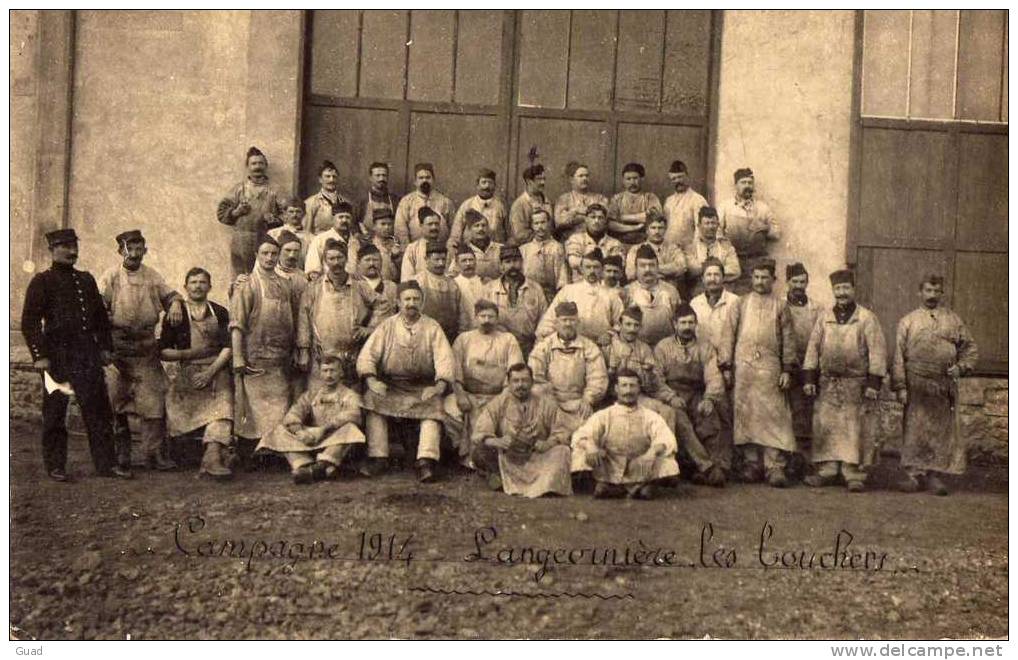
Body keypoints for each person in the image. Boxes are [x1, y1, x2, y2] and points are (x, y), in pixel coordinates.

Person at [21, 229, 130, 481]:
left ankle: (106, 464)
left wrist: (104, 348)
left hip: (86, 355)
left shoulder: (86, 280)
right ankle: (56, 466)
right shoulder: (42, 281)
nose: (72, 251)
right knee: (55, 412)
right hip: (56, 356)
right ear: (52, 250)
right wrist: (39, 355)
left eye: (74, 246)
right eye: (65, 247)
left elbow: (101, 319)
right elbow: (29, 322)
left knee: (98, 410)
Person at [98, 229, 185, 471]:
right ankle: (121, 455)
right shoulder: (111, 276)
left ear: (145, 250)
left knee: (154, 402)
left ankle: (153, 454)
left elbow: (170, 294)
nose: (135, 254)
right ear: (120, 251)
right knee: (116, 401)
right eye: (130, 249)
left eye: (139, 249)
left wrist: (176, 303)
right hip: (118, 349)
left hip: (146, 348)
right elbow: (98, 308)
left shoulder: (152, 276)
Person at [356, 280, 455, 483]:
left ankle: (426, 460)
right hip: (392, 384)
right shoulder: (387, 326)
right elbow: (368, 356)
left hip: (422, 386)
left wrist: (439, 385)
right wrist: (371, 380)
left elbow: (444, 358)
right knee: (372, 399)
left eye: (416, 299)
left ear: (422, 302)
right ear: (398, 302)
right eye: (407, 299)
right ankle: (379, 456)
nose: (411, 303)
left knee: (435, 405)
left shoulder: (432, 327)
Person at [892, 274, 978, 496]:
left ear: (941, 293)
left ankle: (934, 476)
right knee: (915, 430)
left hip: (942, 385)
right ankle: (913, 476)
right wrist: (900, 386)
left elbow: (969, 349)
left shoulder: (953, 320)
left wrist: (960, 368)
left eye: (935, 291)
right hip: (916, 383)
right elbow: (898, 357)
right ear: (919, 292)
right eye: (927, 291)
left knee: (940, 432)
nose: (931, 295)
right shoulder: (908, 321)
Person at [802, 269, 887, 492]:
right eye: (838, 289)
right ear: (833, 291)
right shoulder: (824, 318)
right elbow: (813, 349)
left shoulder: (866, 318)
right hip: (828, 382)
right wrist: (810, 378)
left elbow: (877, 351)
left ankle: (853, 473)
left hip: (855, 384)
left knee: (854, 429)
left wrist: (873, 383)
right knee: (826, 427)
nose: (842, 293)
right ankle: (828, 470)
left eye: (846, 288)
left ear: (853, 290)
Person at [718, 259, 798, 487]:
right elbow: (727, 337)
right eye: (757, 277)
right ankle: (751, 464)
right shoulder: (740, 305)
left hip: (770, 370)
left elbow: (789, 341)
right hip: (744, 370)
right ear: (751, 279)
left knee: (774, 417)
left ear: (773, 280)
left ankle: (774, 466)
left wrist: (787, 370)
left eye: (765, 277)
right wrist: (726, 367)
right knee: (747, 415)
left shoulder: (781, 307)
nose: (761, 281)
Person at [159, 267, 233, 479]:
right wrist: (188, 354)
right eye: (193, 282)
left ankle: (212, 457)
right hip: (187, 371)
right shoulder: (176, 313)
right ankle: (195, 453)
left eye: (202, 282)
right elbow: (163, 351)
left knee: (224, 407)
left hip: (216, 370)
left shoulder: (219, 312)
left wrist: (210, 372)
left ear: (209, 286)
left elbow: (227, 347)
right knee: (176, 407)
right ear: (185, 287)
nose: (198, 286)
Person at [230, 236, 301, 445]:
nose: (269, 258)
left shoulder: (285, 285)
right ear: (256, 255)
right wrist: (237, 357)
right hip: (254, 359)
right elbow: (237, 324)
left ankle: (273, 450)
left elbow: (294, 320)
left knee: (278, 410)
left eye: (273, 253)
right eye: (265, 253)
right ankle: (251, 453)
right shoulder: (247, 284)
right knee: (253, 412)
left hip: (279, 360)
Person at [571, 369, 680, 499]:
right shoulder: (604, 414)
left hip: (641, 463)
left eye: (632, 385)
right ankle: (622, 487)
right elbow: (581, 434)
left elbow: (666, 437)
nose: (628, 391)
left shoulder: (650, 416)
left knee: (668, 462)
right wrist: (591, 446)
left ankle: (630, 487)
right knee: (581, 453)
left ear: (639, 388)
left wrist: (652, 452)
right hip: (610, 464)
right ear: (616, 389)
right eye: (624, 386)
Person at [257, 355, 364, 484]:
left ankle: (322, 466)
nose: (329, 375)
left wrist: (323, 429)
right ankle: (303, 466)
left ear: (341, 373)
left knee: (351, 429)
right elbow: (293, 414)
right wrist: (299, 432)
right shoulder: (312, 394)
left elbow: (353, 414)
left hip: (332, 437)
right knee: (279, 430)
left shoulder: (349, 394)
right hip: (311, 437)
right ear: (320, 373)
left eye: (333, 370)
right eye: (325, 371)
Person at [297, 238, 386, 392]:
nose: (336, 262)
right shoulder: (314, 287)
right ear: (325, 261)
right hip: (321, 359)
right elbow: (303, 319)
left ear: (346, 259)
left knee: (350, 403)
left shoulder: (359, 285)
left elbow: (383, 305)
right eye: (331, 258)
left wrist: (370, 328)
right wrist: (304, 351)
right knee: (319, 402)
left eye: (340, 258)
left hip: (351, 358)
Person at [654, 304, 729, 487]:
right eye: (683, 323)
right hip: (671, 395)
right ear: (674, 324)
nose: (687, 327)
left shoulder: (705, 347)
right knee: (680, 420)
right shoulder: (663, 347)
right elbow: (656, 379)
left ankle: (712, 465)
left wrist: (709, 398)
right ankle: (707, 467)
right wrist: (671, 397)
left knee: (709, 417)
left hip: (696, 393)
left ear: (696, 324)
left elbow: (713, 375)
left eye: (691, 323)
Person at [470, 363, 572, 497]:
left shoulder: (546, 403)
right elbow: (479, 433)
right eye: (516, 381)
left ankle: (542, 485)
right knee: (480, 452)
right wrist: (497, 441)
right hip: (509, 457)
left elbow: (563, 431)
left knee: (563, 451)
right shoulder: (498, 403)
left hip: (538, 457)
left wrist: (548, 443)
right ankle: (499, 477)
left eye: (525, 380)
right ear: (509, 383)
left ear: (532, 382)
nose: (520, 385)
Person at [443, 301, 524, 462]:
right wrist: (460, 395)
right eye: (482, 316)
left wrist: (501, 400)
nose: (486, 320)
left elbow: (515, 373)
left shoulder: (508, 339)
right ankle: (464, 455)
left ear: (497, 318)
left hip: (499, 396)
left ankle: (493, 458)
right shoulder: (463, 339)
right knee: (449, 407)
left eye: (491, 316)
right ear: (475, 317)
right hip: (469, 395)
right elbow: (455, 370)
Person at [528, 301, 608, 436]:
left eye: (572, 320)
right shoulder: (544, 347)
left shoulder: (589, 347)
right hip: (550, 402)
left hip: (578, 403)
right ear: (556, 323)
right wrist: (548, 398)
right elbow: (535, 376)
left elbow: (598, 377)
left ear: (578, 322)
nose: (568, 324)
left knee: (585, 435)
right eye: (564, 320)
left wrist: (588, 398)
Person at [216, 146, 283, 276]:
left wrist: (275, 220)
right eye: (254, 163)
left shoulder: (275, 191)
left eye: (260, 163)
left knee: (263, 278)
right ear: (248, 166)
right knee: (239, 280)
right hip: (241, 241)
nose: (257, 167)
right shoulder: (239, 189)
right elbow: (221, 212)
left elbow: (289, 213)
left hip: (266, 242)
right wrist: (237, 212)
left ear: (265, 166)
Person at [538, 249, 623, 345]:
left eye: (596, 267)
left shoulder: (611, 295)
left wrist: (609, 334)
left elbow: (621, 322)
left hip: (601, 344)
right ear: (581, 269)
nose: (592, 271)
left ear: (602, 270)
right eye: (588, 267)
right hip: (572, 344)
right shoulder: (568, 290)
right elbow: (550, 318)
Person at [784, 262, 822, 472]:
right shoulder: (780, 305)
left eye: (802, 281)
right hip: (787, 366)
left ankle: (805, 460)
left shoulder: (816, 308)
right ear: (787, 282)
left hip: (808, 367)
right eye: (795, 281)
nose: (799, 285)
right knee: (786, 414)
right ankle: (787, 459)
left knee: (805, 414)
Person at [718, 168, 780, 295]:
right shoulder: (726, 206)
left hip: (755, 261)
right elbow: (717, 232)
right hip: (733, 260)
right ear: (736, 186)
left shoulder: (762, 208)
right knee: (732, 296)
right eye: (743, 182)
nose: (747, 186)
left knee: (755, 296)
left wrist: (764, 228)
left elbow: (776, 233)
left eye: (750, 183)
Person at [485, 245, 548, 356]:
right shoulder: (490, 289)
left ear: (522, 263)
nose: (512, 266)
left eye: (515, 261)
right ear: (501, 266)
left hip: (529, 347)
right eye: (508, 262)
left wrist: (538, 347)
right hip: (500, 347)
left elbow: (544, 320)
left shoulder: (535, 288)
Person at [412, 240, 473, 343]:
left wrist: (461, 337)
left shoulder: (452, 284)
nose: (440, 263)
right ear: (426, 259)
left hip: (449, 338)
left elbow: (462, 314)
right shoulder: (418, 282)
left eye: (443, 259)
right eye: (436, 259)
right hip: (423, 337)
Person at [623, 244, 684, 347]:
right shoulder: (628, 291)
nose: (647, 270)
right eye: (642, 266)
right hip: (636, 348)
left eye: (651, 265)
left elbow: (679, 321)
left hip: (666, 347)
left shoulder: (671, 291)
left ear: (657, 267)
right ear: (636, 268)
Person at [394, 162, 455, 247]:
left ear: (433, 180)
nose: (424, 180)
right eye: (421, 178)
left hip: (441, 249)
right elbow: (400, 229)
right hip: (415, 249)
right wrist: (408, 249)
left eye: (428, 177)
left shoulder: (445, 202)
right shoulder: (406, 202)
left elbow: (454, 228)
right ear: (415, 181)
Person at [685, 206, 740, 296]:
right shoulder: (691, 248)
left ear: (718, 225)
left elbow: (735, 270)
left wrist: (705, 271)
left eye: (713, 223)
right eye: (707, 223)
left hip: (723, 292)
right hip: (699, 293)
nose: (711, 227)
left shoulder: (726, 246)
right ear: (699, 226)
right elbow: (692, 270)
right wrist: (720, 271)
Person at [689, 257, 740, 350]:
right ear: (702, 279)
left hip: (728, 358)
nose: (712, 279)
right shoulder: (695, 303)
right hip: (702, 358)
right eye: (708, 275)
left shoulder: (735, 301)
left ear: (723, 278)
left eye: (716, 275)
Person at [608, 162, 663, 246]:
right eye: (628, 179)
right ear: (623, 180)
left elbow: (653, 217)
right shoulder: (617, 199)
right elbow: (611, 224)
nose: (632, 182)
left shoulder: (650, 197)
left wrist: (622, 217)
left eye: (635, 178)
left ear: (642, 179)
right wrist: (636, 227)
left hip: (645, 243)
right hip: (620, 243)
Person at [564, 203, 623, 283]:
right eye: (593, 217)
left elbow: (616, 266)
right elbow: (573, 261)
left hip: (606, 287)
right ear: (586, 219)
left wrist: (588, 264)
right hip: (581, 286)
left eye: (600, 218)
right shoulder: (576, 239)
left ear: (605, 221)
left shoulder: (614, 243)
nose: (596, 221)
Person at [519, 208, 568, 302]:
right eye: (536, 223)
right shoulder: (524, 249)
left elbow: (562, 276)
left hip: (549, 295)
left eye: (543, 222)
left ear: (549, 223)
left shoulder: (557, 248)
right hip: (528, 295)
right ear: (532, 226)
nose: (540, 227)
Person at [624, 214, 686, 286]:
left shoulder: (673, 249)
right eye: (653, 228)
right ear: (647, 230)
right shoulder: (635, 249)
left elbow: (682, 267)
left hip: (668, 289)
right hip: (642, 289)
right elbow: (631, 273)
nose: (657, 231)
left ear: (665, 229)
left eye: (660, 228)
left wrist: (649, 271)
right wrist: (667, 272)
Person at [450, 168, 508, 246]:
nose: (487, 186)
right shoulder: (467, 205)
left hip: (494, 252)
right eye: (484, 182)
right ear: (477, 185)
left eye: (490, 183)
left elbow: (509, 234)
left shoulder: (500, 207)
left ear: (495, 186)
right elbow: (455, 234)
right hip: (470, 252)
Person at [554, 162, 609, 240]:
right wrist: (586, 214)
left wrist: (575, 214)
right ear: (571, 179)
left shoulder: (600, 198)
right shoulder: (563, 199)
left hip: (595, 241)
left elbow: (604, 219)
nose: (584, 178)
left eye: (587, 176)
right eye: (581, 176)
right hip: (571, 241)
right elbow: (560, 222)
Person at [304, 201, 358, 279]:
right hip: (327, 285)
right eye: (341, 217)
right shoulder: (320, 240)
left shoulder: (355, 242)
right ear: (333, 219)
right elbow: (313, 271)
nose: (344, 220)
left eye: (347, 217)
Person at [662, 160, 708, 250]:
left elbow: (701, 229)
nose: (678, 181)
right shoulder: (668, 201)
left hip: (689, 250)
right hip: (669, 249)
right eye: (674, 179)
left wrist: (695, 250)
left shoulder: (698, 200)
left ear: (687, 176)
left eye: (680, 177)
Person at [446, 209, 502, 281]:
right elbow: (451, 275)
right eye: (476, 226)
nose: (481, 229)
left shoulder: (500, 248)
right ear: (469, 230)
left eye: (483, 225)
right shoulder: (463, 251)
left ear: (488, 229)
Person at [304, 160, 357, 235]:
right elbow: (307, 233)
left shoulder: (346, 202)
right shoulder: (311, 202)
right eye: (327, 176)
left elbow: (351, 230)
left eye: (334, 177)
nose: (331, 180)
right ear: (320, 179)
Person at [508, 163, 554, 247]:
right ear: (529, 181)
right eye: (539, 179)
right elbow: (519, 234)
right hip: (528, 249)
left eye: (544, 179)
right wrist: (541, 237)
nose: (543, 182)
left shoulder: (547, 201)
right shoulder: (519, 204)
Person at [354, 242, 399, 325]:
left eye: (375, 260)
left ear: (381, 262)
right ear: (359, 263)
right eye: (367, 260)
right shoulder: (354, 287)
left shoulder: (392, 287)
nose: (372, 263)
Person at [400, 207, 444, 282]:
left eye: (437, 224)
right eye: (430, 224)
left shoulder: (445, 247)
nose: (434, 227)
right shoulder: (412, 249)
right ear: (421, 225)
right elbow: (406, 277)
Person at [358, 207, 402, 282]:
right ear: (374, 226)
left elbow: (403, 270)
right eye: (383, 224)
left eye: (389, 224)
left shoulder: (396, 243)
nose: (387, 227)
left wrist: (396, 257)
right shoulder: (368, 244)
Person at [267, 197, 311, 269]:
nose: (294, 215)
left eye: (298, 211)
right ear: (285, 214)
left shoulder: (310, 238)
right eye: (291, 212)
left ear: (304, 214)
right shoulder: (273, 234)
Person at [359, 162, 400, 235]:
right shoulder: (363, 200)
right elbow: (354, 223)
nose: (381, 178)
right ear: (370, 178)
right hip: (368, 242)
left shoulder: (395, 200)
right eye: (377, 175)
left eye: (384, 175)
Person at [450, 243, 487, 322]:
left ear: (475, 262)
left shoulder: (485, 282)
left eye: (471, 260)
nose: (468, 264)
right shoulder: (453, 284)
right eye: (464, 261)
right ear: (457, 264)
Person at [273, 230, 310, 301]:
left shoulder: (303, 278)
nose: (292, 255)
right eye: (288, 250)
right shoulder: (271, 273)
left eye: (296, 251)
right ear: (279, 251)